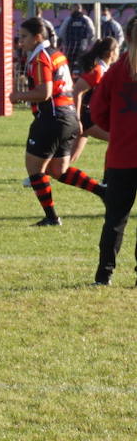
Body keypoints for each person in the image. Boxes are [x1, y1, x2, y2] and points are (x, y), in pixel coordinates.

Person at [9, 16, 108, 225]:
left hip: (51, 118)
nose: (21, 41)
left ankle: (51, 217)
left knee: (35, 169)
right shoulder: (57, 54)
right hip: (69, 116)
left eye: (24, 37)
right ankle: (103, 192)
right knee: (58, 170)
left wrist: (18, 96)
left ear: (37, 37)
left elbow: (44, 92)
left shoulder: (39, 58)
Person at [88, 15, 137, 285]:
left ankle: (104, 274)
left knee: (115, 219)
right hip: (123, 153)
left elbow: (97, 111)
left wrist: (117, 129)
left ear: (126, 39)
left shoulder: (116, 71)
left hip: (120, 157)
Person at [71, 36, 118, 164]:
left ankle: (38, 174)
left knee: (67, 160)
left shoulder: (106, 70)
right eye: (118, 49)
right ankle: (107, 181)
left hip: (89, 117)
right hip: (87, 118)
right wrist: (78, 119)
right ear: (111, 53)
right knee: (117, 140)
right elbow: (76, 91)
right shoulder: (98, 71)